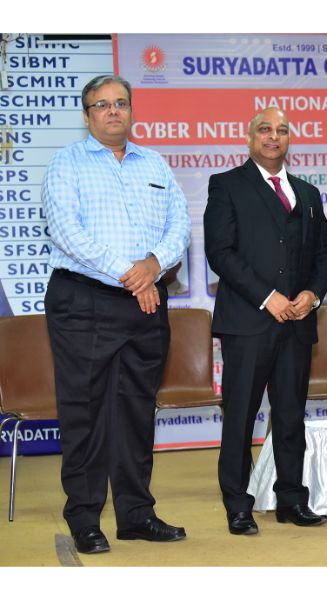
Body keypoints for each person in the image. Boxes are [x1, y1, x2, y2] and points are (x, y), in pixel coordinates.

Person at [42, 75, 191, 554]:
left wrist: (153, 265)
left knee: (135, 410)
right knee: (84, 413)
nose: (113, 112)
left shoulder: (155, 163)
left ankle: (136, 514)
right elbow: (67, 231)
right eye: (102, 105)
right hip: (84, 300)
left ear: (131, 110)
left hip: (144, 303)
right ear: (87, 116)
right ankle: (85, 518)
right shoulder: (67, 163)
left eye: (121, 103)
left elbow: (180, 225)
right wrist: (134, 274)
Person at [204, 108, 327, 534]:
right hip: (248, 323)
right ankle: (237, 504)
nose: (273, 137)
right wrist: (267, 297)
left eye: (281, 131)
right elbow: (220, 253)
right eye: (264, 129)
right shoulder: (226, 185)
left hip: (297, 323)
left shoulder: (307, 193)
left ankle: (291, 499)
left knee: (291, 416)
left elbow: (324, 255)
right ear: (249, 138)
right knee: (240, 417)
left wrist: (312, 294)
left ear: (289, 140)